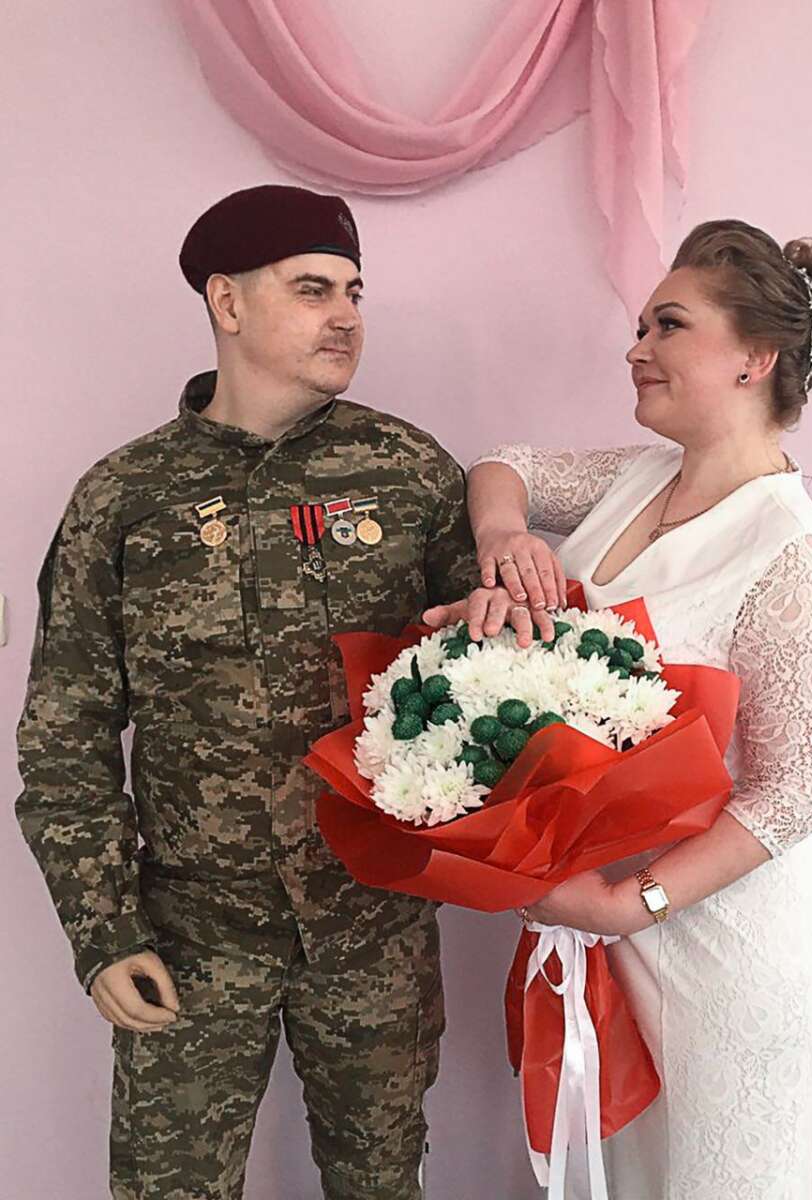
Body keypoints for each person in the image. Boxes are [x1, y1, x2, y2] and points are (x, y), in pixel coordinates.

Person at [16, 184, 476, 1200]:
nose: (345, 316)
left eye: (354, 291)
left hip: (372, 931)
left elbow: (489, 680)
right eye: (312, 290)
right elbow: (65, 734)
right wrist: (104, 931)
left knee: (381, 1187)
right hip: (192, 936)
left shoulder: (407, 474)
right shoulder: (124, 498)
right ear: (227, 302)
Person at [425, 219, 812, 1198]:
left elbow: (795, 792)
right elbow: (505, 466)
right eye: (640, 326)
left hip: (725, 939)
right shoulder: (636, 478)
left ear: (754, 357)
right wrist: (505, 538)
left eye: (669, 325)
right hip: (605, 923)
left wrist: (635, 905)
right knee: (622, 1180)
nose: (637, 348)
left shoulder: (792, 551)